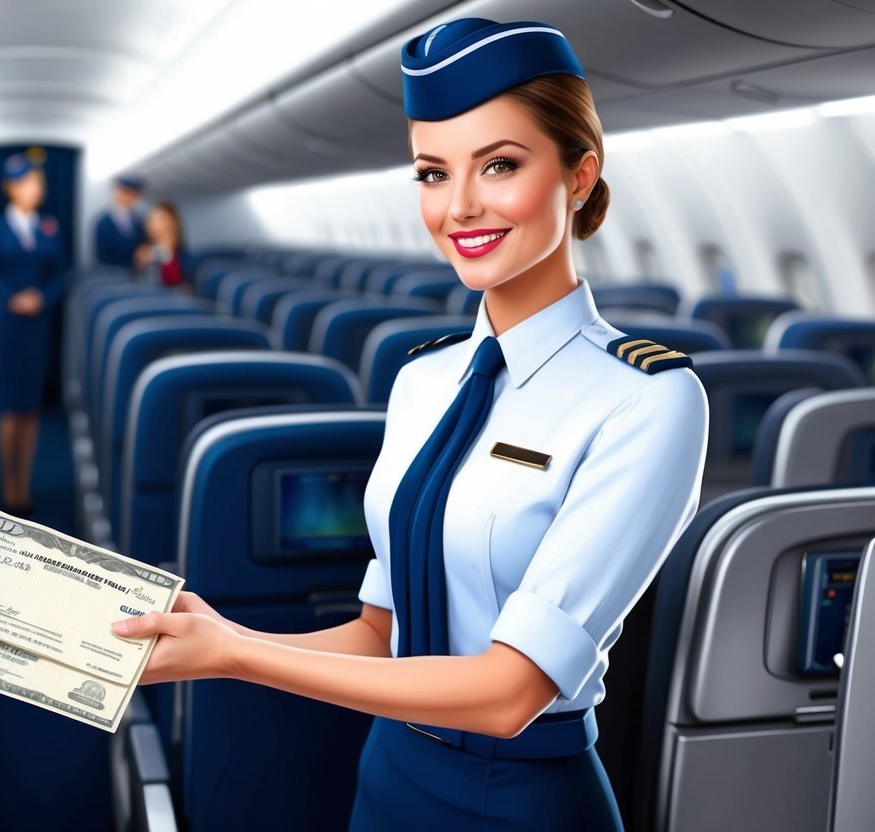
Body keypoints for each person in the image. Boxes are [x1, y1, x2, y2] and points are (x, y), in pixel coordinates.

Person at [112, 17, 710, 831]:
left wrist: (240, 656)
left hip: (521, 798)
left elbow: (506, 695)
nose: (459, 206)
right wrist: (228, 636)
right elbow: (379, 636)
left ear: (578, 176)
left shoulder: (645, 401)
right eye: (433, 173)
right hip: (388, 774)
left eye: (499, 165)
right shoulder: (423, 380)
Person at [0, 152, 67, 512]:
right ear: (9, 188)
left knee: (30, 408)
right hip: (10, 322)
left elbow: (61, 273)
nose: (34, 188)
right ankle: (7, 482)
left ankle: (25, 482)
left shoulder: (50, 226)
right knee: (11, 406)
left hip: (39, 323)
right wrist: (12, 297)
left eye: (37, 181)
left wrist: (41, 298)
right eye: (26, 182)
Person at [133, 200, 193, 289]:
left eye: (161, 219)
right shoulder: (143, 252)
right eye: (151, 219)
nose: (154, 224)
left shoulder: (185, 256)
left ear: (173, 221)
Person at [93, 175, 146, 268]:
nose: (131, 198)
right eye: (127, 193)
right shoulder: (103, 222)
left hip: (136, 276)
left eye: (134, 195)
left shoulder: (138, 221)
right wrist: (134, 262)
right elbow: (102, 257)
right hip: (113, 275)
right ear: (119, 193)